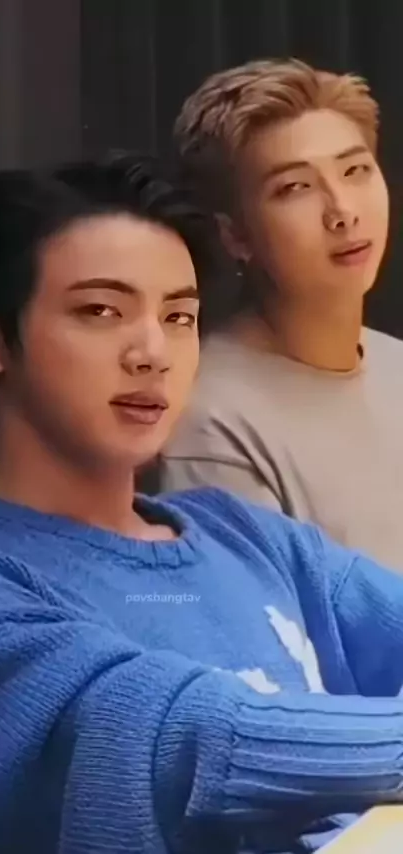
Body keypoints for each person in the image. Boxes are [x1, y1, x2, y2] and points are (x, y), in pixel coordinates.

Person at [0, 153, 403, 854]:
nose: (154, 351)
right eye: (101, 311)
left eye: (180, 316)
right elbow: (187, 738)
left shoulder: (247, 536)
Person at [160, 58, 403, 572]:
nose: (343, 211)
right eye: (295, 187)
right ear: (235, 235)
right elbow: (260, 616)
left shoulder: (394, 364)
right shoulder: (210, 420)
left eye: (355, 171)